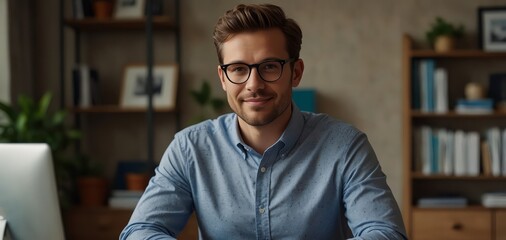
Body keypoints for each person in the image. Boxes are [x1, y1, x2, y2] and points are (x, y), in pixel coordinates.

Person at [120, 3, 407, 240]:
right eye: (238, 69)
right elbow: (140, 231)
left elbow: (385, 233)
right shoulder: (190, 148)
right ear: (222, 78)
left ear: (296, 72)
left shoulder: (345, 146)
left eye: (269, 66)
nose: (253, 84)